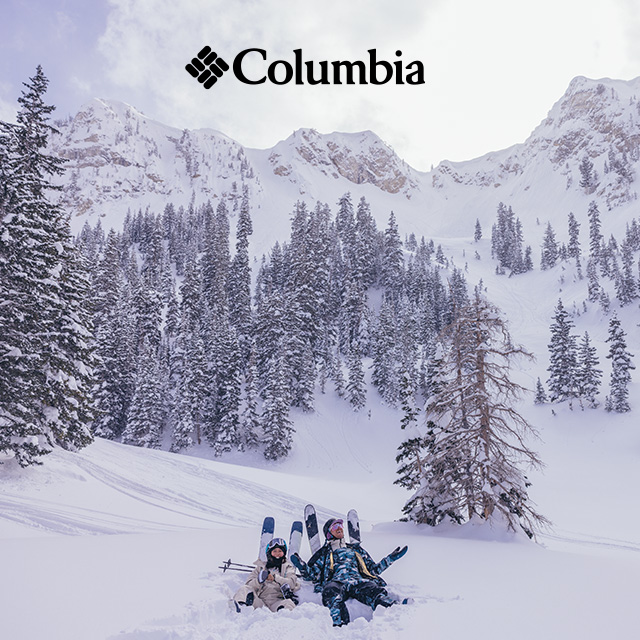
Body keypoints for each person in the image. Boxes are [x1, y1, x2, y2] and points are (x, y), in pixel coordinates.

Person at [290, 517, 409, 627]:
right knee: (330, 593)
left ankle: (394, 609)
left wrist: (390, 559)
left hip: (358, 581)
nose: (340, 529)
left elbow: (373, 570)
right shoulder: (325, 553)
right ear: (328, 533)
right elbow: (313, 575)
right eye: (335, 527)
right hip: (337, 582)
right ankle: (340, 626)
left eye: (340, 527)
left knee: (374, 591)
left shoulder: (355, 550)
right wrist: (302, 567)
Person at [233, 537, 300, 613]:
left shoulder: (288, 567)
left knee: (288, 603)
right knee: (244, 589)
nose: (277, 553)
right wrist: (259, 580)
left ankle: (283, 618)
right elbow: (249, 584)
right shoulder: (261, 567)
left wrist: (275, 578)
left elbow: (291, 583)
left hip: (277, 602)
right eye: (274, 551)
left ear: (284, 553)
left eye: (280, 551)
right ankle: (242, 610)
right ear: (269, 553)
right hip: (260, 602)